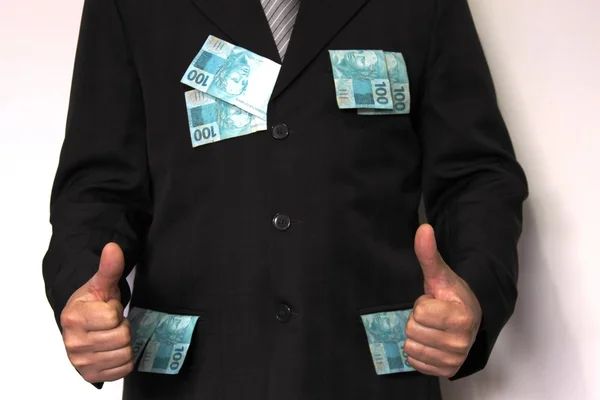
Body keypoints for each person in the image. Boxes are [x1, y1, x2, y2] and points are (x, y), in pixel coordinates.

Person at [42, 0, 528, 399]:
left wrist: (476, 292)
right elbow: (97, 187)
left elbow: (476, 176)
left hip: (369, 380)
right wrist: (80, 291)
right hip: (193, 383)